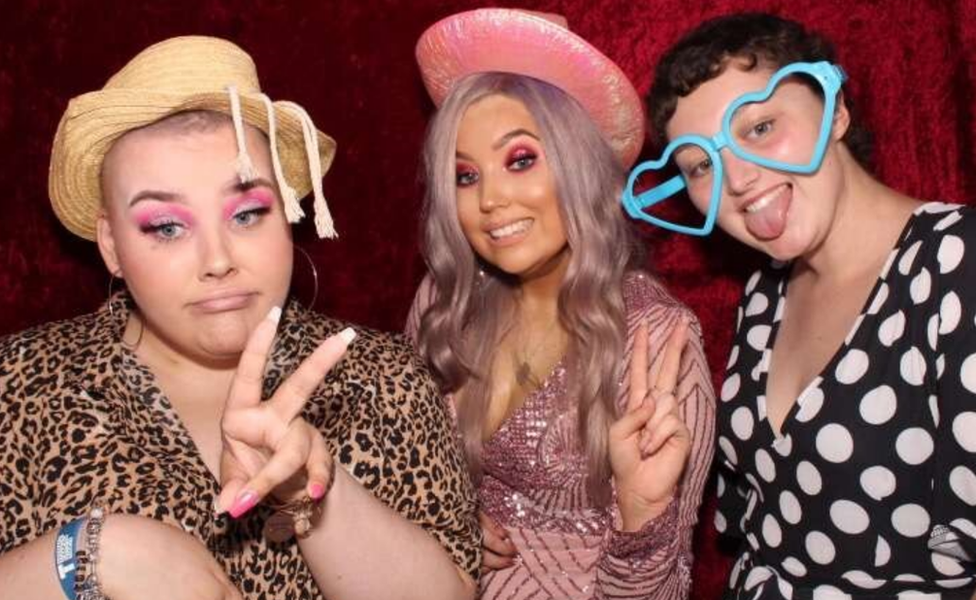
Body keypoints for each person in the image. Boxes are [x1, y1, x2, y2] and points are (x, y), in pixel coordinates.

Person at [0, 36, 480, 600]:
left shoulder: (383, 378)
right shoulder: (18, 384)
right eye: (166, 226)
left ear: (289, 215)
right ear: (111, 246)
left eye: (247, 213)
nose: (219, 259)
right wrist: (90, 553)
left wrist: (314, 493)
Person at [625, 12, 976, 599]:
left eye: (759, 127)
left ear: (835, 110)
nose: (738, 178)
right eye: (701, 165)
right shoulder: (764, 293)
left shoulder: (957, 266)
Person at [406, 8, 716, 599]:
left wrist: (643, 515)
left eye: (520, 160)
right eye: (465, 176)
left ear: (579, 166)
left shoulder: (655, 342)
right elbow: (410, 478)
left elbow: (664, 588)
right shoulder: (443, 306)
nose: (490, 200)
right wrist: (443, 513)